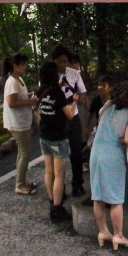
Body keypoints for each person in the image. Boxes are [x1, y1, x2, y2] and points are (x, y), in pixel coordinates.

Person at [88, 82, 128, 250]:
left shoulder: (106, 107)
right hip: (112, 156)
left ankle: (103, 232)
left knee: (97, 196)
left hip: (95, 154)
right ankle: (118, 236)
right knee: (115, 199)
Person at [36, 60, 75, 221]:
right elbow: (70, 115)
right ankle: (57, 209)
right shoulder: (58, 93)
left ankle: (52, 201)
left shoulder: (39, 91)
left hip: (44, 136)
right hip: (58, 138)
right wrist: (74, 102)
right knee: (60, 175)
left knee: (48, 171)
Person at [51, 45, 88, 197]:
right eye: (59, 61)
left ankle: (77, 184)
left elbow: (84, 94)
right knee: (58, 156)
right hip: (57, 120)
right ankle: (59, 189)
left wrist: (79, 98)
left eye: (65, 61)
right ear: (53, 61)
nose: (62, 64)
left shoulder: (74, 74)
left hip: (73, 118)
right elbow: (45, 97)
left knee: (76, 152)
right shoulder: (48, 75)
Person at [3, 53, 38, 196]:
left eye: (25, 63)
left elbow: (19, 97)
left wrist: (30, 95)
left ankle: (21, 180)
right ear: (15, 66)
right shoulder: (11, 82)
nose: (25, 66)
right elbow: (11, 102)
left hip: (22, 121)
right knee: (25, 153)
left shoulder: (19, 79)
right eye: (23, 64)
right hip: (17, 123)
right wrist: (30, 101)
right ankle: (20, 185)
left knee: (22, 153)